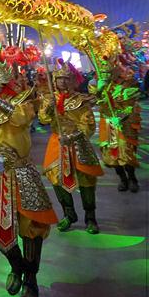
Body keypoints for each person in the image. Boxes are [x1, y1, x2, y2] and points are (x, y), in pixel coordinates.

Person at [0, 57, 56, 297]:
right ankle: (16, 267)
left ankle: (31, 280)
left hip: (22, 170)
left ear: (2, 78)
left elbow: (22, 119)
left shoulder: (21, 100)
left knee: (32, 228)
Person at [38, 68, 104, 234]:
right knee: (56, 179)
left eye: (67, 78)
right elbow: (43, 120)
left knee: (86, 181)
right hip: (57, 143)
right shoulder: (49, 99)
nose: (63, 82)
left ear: (73, 81)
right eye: (59, 79)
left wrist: (74, 136)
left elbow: (88, 124)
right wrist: (48, 109)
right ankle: (69, 214)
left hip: (78, 142)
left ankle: (90, 217)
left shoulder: (81, 100)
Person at [97, 66, 142, 193]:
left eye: (107, 73)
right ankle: (123, 180)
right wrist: (99, 90)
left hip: (125, 125)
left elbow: (131, 106)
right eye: (103, 74)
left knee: (127, 155)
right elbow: (100, 105)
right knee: (114, 155)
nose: (105, 76)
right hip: (110, 126)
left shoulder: (127, 86)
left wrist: (120, 117)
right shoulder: (104, 89)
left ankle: (133, 179)